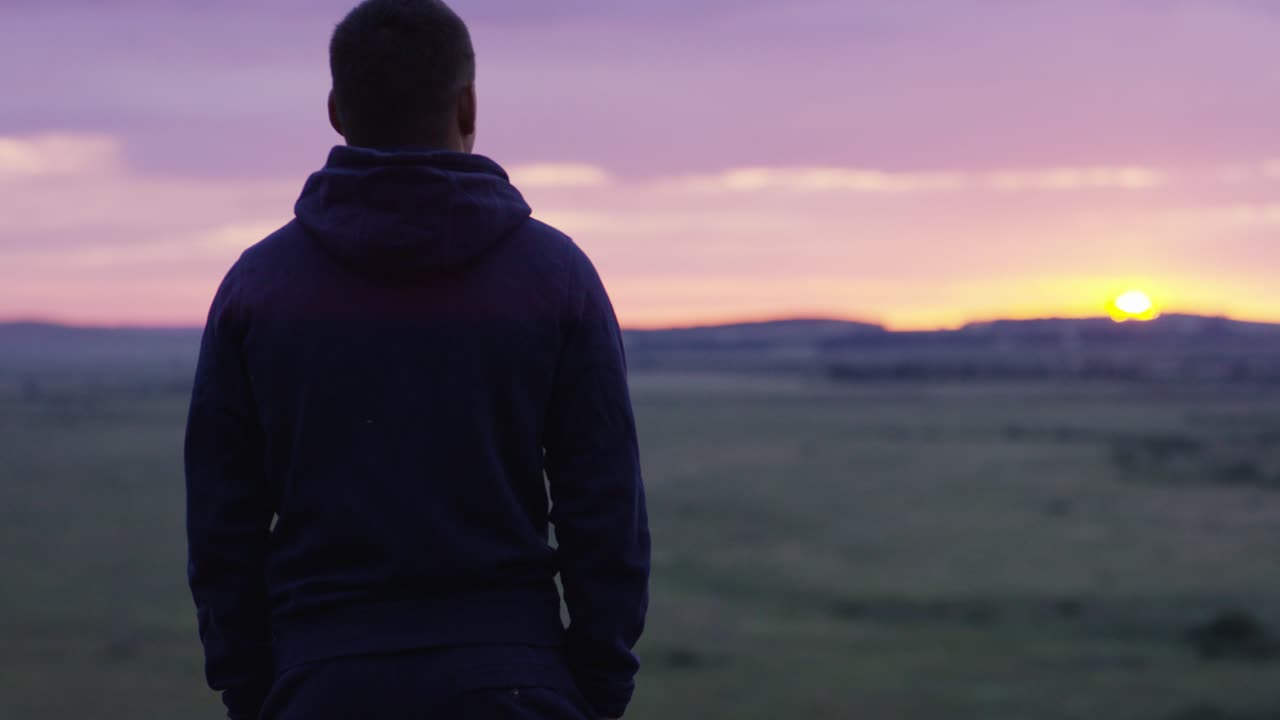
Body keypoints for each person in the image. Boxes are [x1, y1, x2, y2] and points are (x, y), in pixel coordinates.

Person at [183, 1, 651, 718]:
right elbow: (605, 508)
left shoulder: (258, 286)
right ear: (468, 104)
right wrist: (594, 691)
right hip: (518, 683)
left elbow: (222, 526)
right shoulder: (556, 275)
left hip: (318, 682)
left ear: (336, 110)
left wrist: (257, 691)